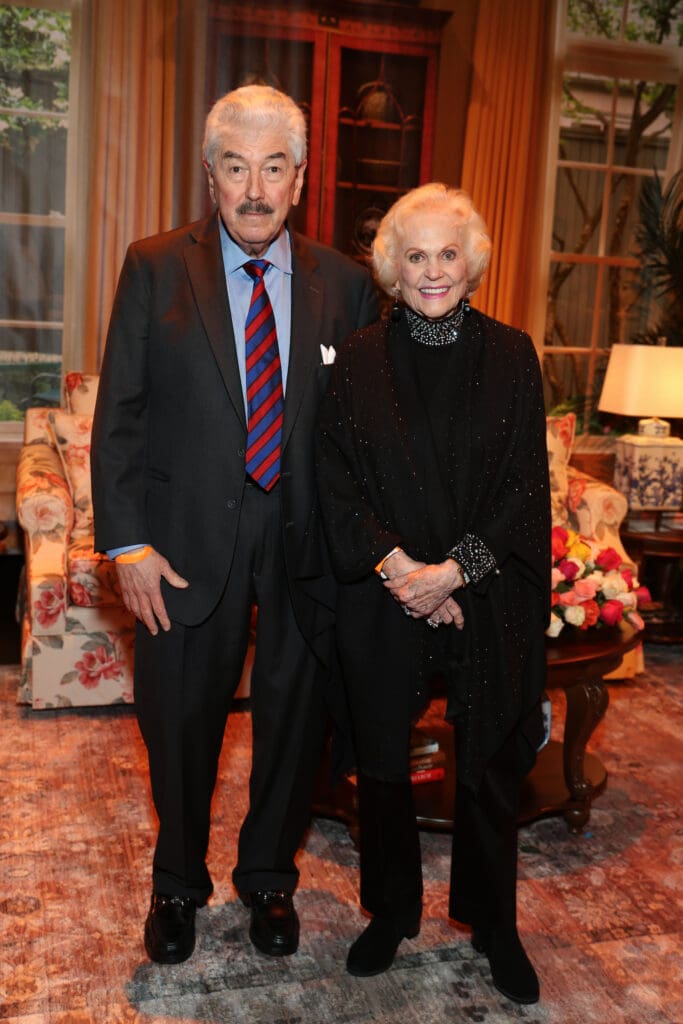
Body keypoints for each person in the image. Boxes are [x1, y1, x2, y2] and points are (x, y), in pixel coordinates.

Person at [91, 84, 378, 966]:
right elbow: (122, 416)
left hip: (306, 544)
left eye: (274, 168)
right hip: (179, 544)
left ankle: (268, 880)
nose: (255, 188)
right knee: (177, 722)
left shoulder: (349, 284)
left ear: (300, 178)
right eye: (236, 166)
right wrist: (126, 542)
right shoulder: (151, 265)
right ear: (210, 175)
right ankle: (177, 882)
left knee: (294, 723)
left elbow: (362, 432)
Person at [316, 183, 550, 1005]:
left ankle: (495, 925)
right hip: (386, 589)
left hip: (483, 589)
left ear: (472, 261)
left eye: (446, 253)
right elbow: (335, 486)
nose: (432, 271)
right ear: (390, 267)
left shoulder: (514, 354)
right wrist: (400, 572)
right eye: (414, 256)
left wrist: (453, 573)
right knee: (383, 760)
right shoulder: (355, 360)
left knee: (486, 761)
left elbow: (524, 486)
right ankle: (388, 913)